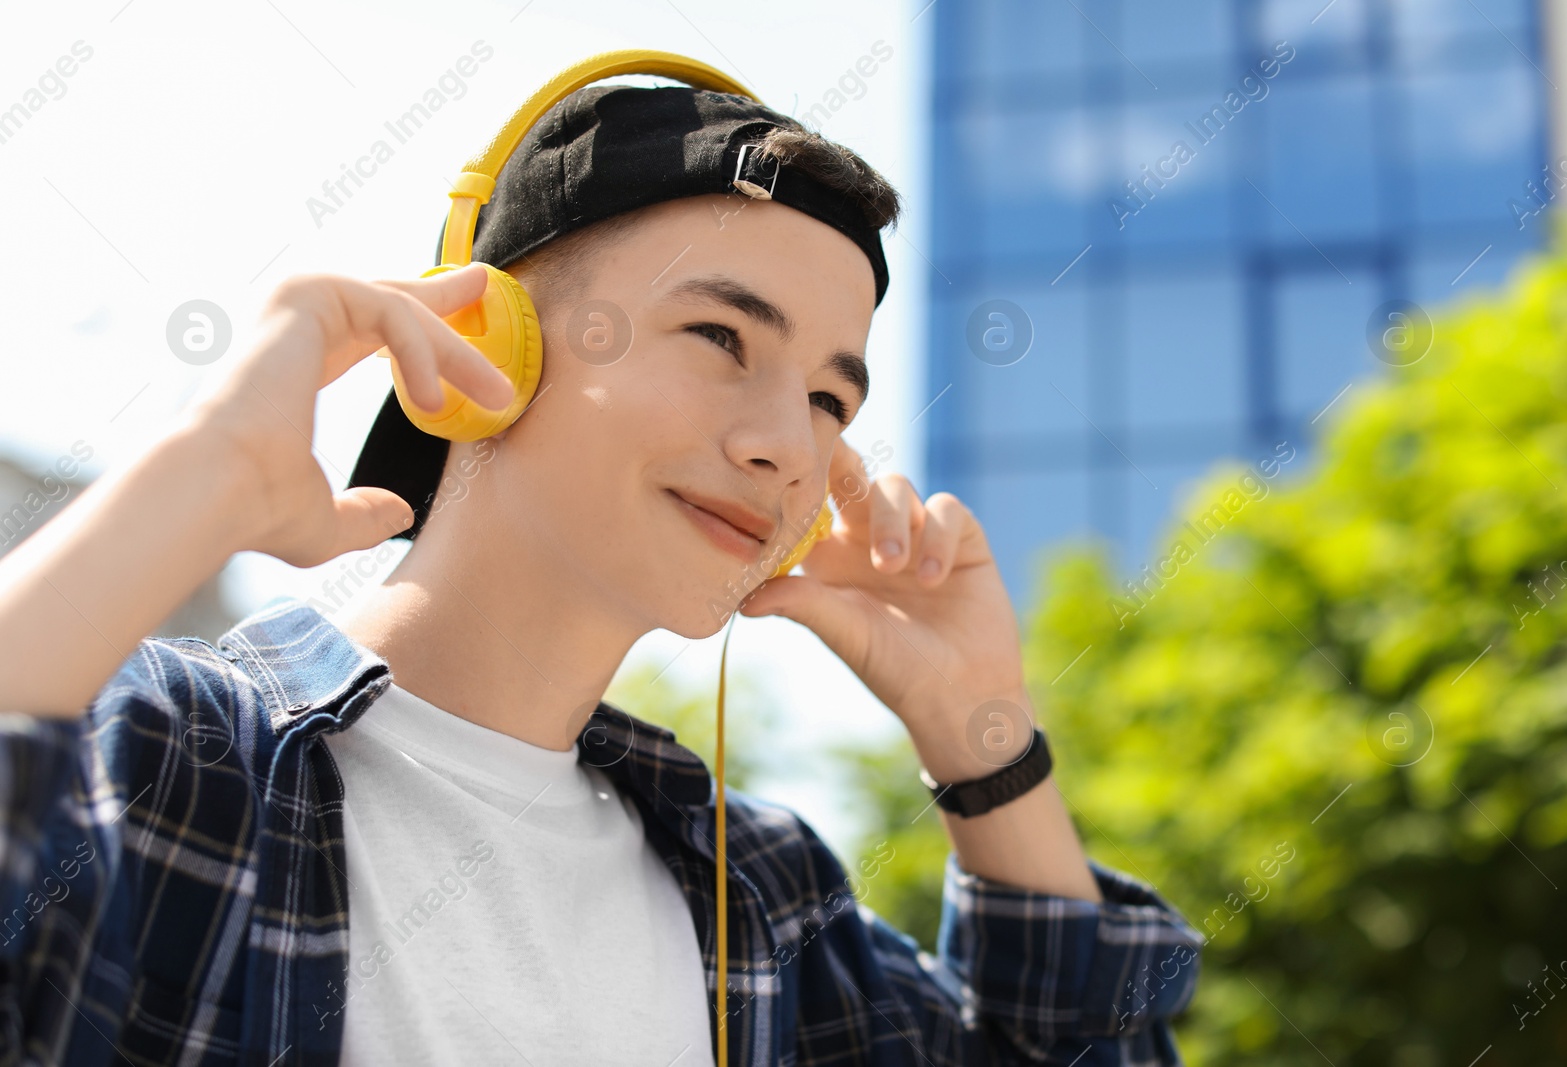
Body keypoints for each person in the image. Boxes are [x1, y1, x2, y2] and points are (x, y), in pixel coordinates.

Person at [0, 75, 1201, 1066]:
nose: (790, 442)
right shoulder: (169, 756)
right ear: (488, 344)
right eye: (722, 336)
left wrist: (976, 724)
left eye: (833, 397)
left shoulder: (764, 896)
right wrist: (198, 478)